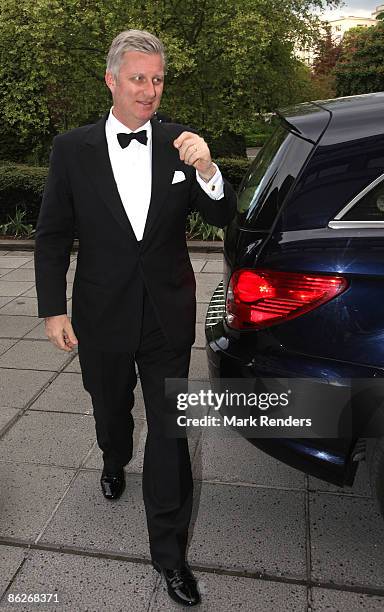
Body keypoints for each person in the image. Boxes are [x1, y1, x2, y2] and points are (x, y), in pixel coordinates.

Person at [34, 29, 237, 607]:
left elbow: (223, 212)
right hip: (99, 313)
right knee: (109, 407)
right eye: (137, 79)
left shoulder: (180, 144)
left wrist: (207, 170)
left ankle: (170, 558)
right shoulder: (72, 149)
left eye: (157, 79)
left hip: (165, 315)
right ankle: (113, 455)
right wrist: (52, 308)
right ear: (111, 80)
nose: (150, 91)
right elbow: (52, 237)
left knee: (170, 435)